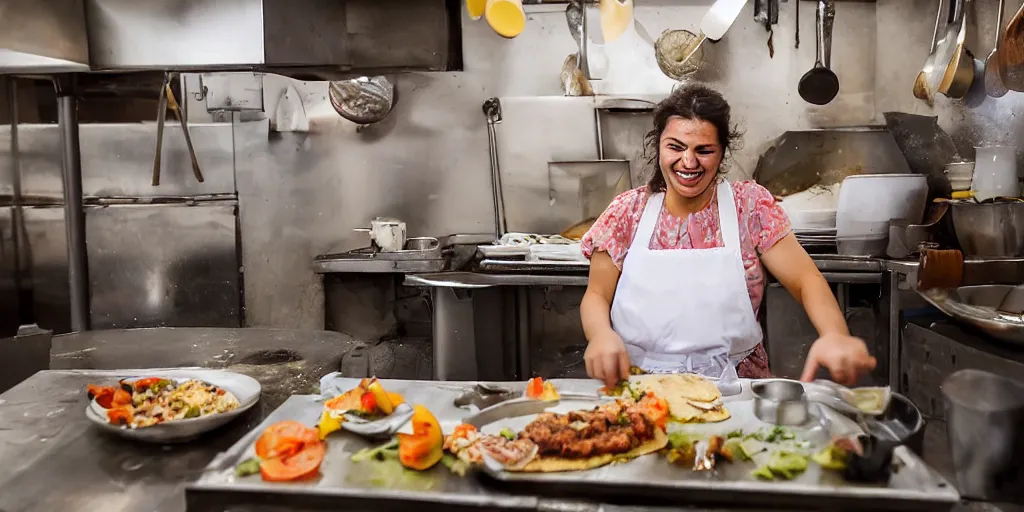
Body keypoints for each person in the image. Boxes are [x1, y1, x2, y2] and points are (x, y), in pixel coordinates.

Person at [579, 83, 876, 387]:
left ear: (721, 153)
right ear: (658, 147)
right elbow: (596, 295)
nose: (689, 162)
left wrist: (835, 334)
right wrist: (601, 335)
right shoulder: (627, 211)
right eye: (676, 147)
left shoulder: (748, 206)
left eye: (704, 151)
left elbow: (805, 280)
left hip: (736, 387)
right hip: (637, 386)